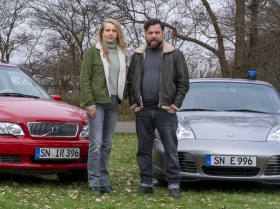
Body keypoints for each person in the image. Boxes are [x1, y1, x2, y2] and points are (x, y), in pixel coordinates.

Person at [127, 18, 189, 199]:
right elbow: (130, 82)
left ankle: (174, 185)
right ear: (145, 34)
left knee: (170, 149)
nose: (153, 36)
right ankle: (146, 184)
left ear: (163, 33)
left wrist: (175, 105)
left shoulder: (175, 54)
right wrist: (134, 104)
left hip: (166, 111)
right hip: (143, 111)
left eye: (157, 32)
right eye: (150, 33)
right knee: (143, 149)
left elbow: (183, 83)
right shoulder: (137, 55)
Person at [80, 18, 127, 196]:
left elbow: (122, 79)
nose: (110, 33)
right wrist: (89, 103)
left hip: (114, 103)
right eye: (107, 30)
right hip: (97, 104)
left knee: (107, 144)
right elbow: (85, 79)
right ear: (102, 33)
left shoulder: (122, 53)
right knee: (96, 144)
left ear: (117, 33)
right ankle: (93, 182)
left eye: (113, 30)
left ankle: (104, 182)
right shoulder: (93, 53)